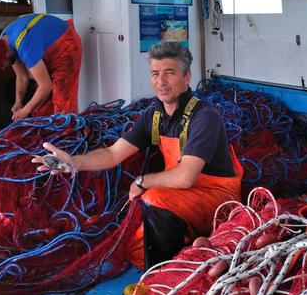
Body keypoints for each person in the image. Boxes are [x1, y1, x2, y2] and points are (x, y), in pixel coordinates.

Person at [34, 42, 243, 269]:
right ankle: (177, 250)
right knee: (136, 248)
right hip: (184, 193)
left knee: (154, 198)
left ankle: (162, 278)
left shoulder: (204, 117)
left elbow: (185, 177)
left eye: (169, 73)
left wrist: (142, 181)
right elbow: (112, 154)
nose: (161, 81)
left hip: (217, 197)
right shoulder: (154, 115)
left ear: (187, 77)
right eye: (155, 74)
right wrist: (74, 162)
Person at [0, 13, 82, 120]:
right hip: (47, 48)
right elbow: (22, 77)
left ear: (5, 55)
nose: (3, 68)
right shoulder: (4, 42)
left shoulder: (24, 45)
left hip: (66, 43)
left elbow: (45, 86)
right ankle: (47, 132)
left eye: (1, 66)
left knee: (63, 100)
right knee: (40, 106)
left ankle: (67, 133)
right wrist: (18, 101)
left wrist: (26, 111)